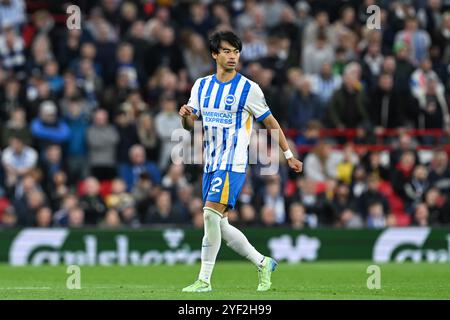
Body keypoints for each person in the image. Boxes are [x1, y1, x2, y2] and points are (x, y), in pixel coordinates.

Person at [179, 31, 302, 293]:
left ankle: (204, 280)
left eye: (236, 51)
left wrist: (288, 154)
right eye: (226, 51)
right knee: (219, 224)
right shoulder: (201, 86)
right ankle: (263, 262)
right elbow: (190, 126)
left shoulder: (249, 89)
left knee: (209, 215)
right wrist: (185, 116)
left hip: (233, 162)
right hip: (210, 163)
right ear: (214, 54)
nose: (232, 56)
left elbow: (270, 122)